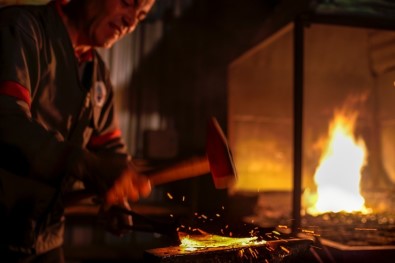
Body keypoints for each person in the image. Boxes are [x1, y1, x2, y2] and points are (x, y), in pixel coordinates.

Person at [0, 0, 156, 261]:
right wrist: (82, 163)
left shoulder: (98, 77)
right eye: (127, 3)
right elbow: (6, 120)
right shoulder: (22, 29)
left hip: (45, 240)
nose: (130, 23)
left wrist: (116, 199)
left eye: (139, 17)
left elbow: (110, 152)